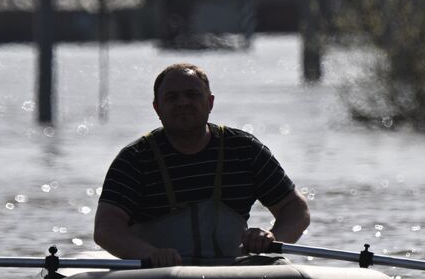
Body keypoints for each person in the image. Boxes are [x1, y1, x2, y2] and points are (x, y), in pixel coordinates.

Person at [93, 62, 311, 267]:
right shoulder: (134, 159)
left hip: (233, 277)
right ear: (157, 108)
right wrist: (149, 254)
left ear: (210, 102)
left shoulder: (245, 150)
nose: (183, 103)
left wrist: (271, 239)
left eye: (192, 95)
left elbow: (296, 209)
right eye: (172, 97)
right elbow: (106, 229)